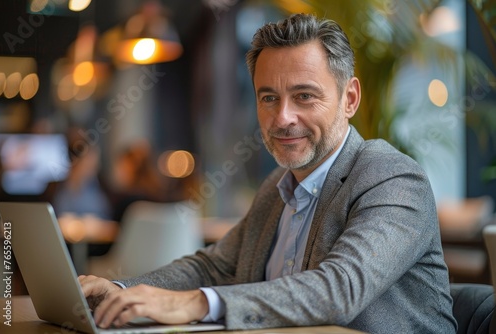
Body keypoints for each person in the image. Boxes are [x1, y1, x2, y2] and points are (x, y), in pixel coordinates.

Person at [80, 13, 457, 333]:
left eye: (304, 96)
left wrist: (194, 304)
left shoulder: (393, 179)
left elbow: (339, 290)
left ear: (350, 100)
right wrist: (121, 289)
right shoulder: (276, 186)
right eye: (268, 97)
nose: (282, 118)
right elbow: (213, 267)